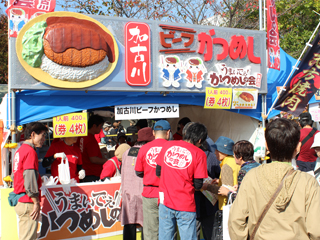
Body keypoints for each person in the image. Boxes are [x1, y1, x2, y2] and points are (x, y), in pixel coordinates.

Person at [228, 118, 320, 239]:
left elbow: (236, 221)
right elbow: (316, 230)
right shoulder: (308, 182)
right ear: (298, 148)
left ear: (267, 145)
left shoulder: (251, 177)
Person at [156, 122, 208, 240]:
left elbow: (158, 172)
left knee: (165, 237)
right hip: (185, 203)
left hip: (165, 201)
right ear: (200, 140)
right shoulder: (199, 154)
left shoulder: (167, 145)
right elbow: (198, 184)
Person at [135, 120, 171, 240]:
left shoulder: (144, 148)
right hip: (169, 194)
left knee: (151, 232)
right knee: (168, 230)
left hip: (149, 193)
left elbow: (138, 172)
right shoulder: (173, 148)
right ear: (168, 133)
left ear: (154, 133)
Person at [12, 122, 47, 240]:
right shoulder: (30, 151)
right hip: (27, 201)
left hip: (21, 198)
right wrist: (36, 201)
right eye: (42, 135)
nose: (44, 139)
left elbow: (16, 175)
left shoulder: (20, 150)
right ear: (32, 134)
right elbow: (29, 175)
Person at [121, 127, 155, 240]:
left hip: (128, 193)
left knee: (129, 223)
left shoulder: (127, 152)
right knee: (147, 224)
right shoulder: (148, 152)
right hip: (144, 192)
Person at [195, 141, 221, 240]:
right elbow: (219, 175)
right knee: (210, 234)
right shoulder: (212, 158)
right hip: (210, 202)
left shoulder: (191, 157)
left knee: (193, 234)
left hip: (194, 203)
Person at [211, 136, 240, 210]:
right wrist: (220, 181)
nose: (215, 153)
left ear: (223, 151)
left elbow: (225, 191)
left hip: (226, 206)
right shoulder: (234, 161)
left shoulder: (226, 166)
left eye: (217, 150)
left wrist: (206, 187)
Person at [77, 114, 109, 182]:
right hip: (92, 173)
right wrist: (107, 160)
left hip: (83, 171)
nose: (101, 129)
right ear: (94, 126)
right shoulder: (90, 139)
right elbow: (93, 159)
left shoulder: (81, 136)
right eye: (100, 126)